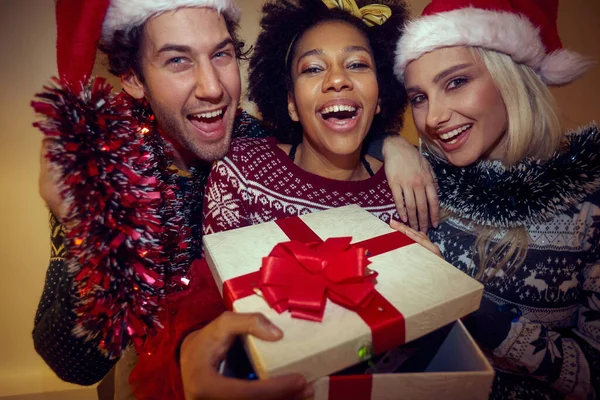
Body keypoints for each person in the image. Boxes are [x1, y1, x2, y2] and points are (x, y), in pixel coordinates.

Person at [32, 0, 437, 397]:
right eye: (178, 60)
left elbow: (330, 126)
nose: (213, 88)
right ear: (134, 78)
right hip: (149, 366)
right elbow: (75, 365)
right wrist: (88, 232)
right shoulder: (100, 174)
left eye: (221, 54)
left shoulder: (250, 140)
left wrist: (392, 144)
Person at [393, 0, 600, 398]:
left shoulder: (590, 210)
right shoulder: (425, 183)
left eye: (456, 82)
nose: (433, 117)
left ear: (511, 79)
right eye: (418, 97)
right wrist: (390, 145)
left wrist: (461, 297)